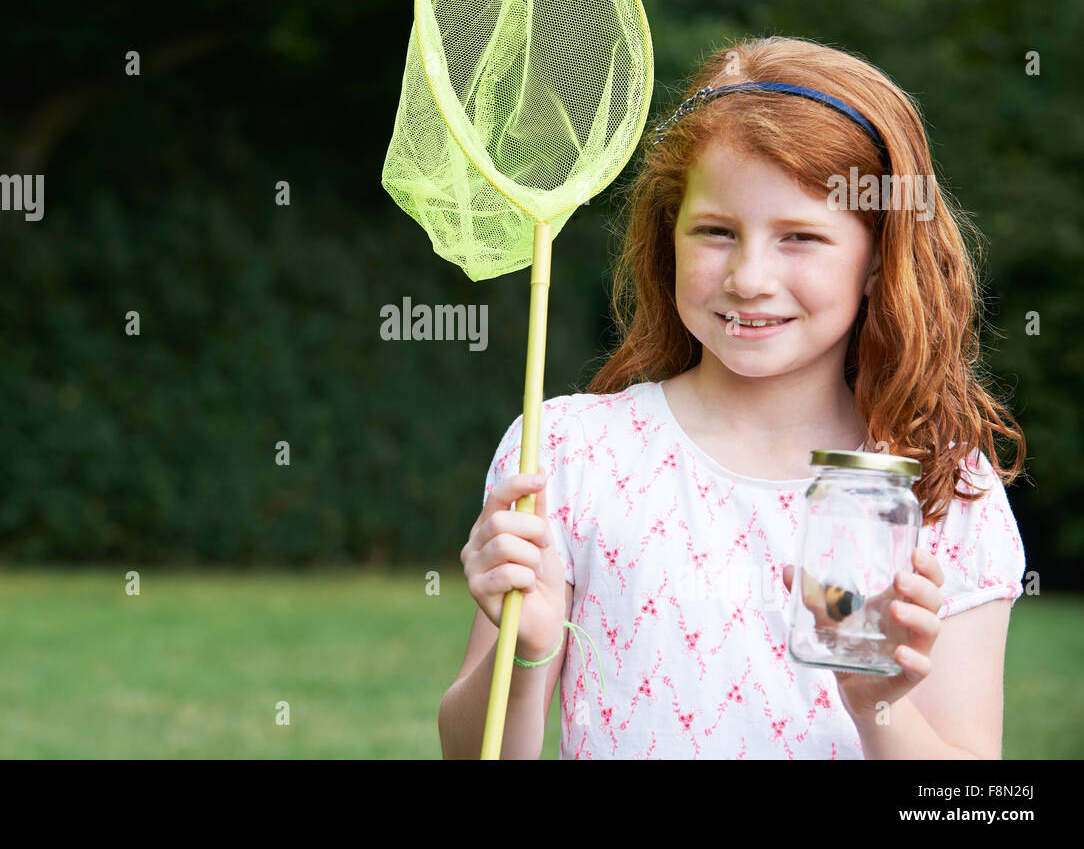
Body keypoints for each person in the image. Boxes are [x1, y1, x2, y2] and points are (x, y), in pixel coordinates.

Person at [437, 37, 1028, 760]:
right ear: (670, 239)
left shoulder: (941, 486)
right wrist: (525, 657)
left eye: (800, 238)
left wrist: (877, 707)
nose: (749, 277)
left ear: (878, 260)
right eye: (717, 232)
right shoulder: (566, 452)